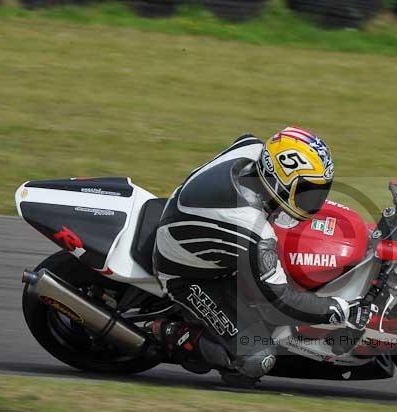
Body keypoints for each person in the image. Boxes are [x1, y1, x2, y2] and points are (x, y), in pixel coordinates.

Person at [152, 127, 373, 386]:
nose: (316, 199)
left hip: (193, 220)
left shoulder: (254, 148)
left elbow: (242, 136)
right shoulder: (252, 228)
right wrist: (339, 310)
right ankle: (166, 332)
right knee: (257, 358)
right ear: (278, 181)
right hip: (186, 272)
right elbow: (282, 298)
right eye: (306, 190)